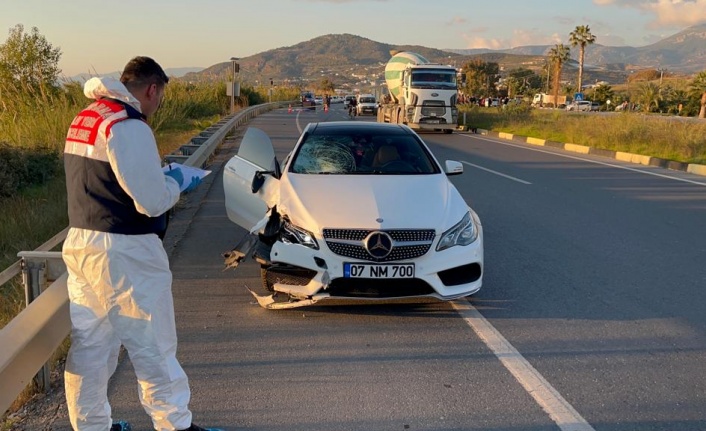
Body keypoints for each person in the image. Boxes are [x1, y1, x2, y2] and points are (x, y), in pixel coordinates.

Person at [62, 56, 220, 431]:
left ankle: (91, 425)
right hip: (125, 250)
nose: (158, 104)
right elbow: (150, 201)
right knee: (154, 343)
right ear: (152, 89)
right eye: (160, 97)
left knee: (92, 344)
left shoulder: (88, 117)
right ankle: (174, 425)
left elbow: (104, 178)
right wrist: (176, 182)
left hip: (83, 243)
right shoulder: (128, 126)